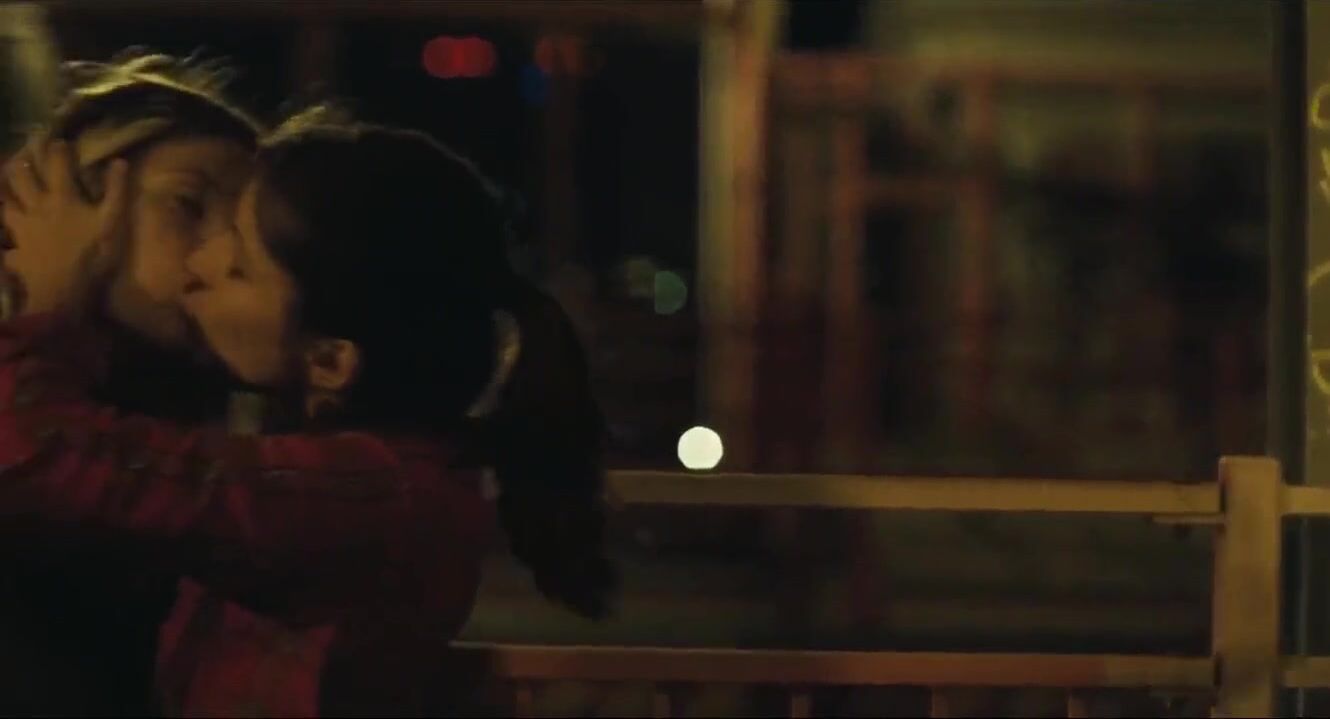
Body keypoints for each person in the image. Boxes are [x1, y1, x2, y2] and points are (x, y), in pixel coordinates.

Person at [0, 109, 615, 715]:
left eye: (238, 267)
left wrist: (50, 304)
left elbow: (39, 452)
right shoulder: (369, 468)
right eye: (191, 209)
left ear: (328, 360)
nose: (200, 261)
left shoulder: (365, 489)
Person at [0, 50, 261, 716]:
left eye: (244, 232)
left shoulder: (219, 426)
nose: (219, 255)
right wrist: (49, 310)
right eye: (188, 205)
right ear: (65, 207)